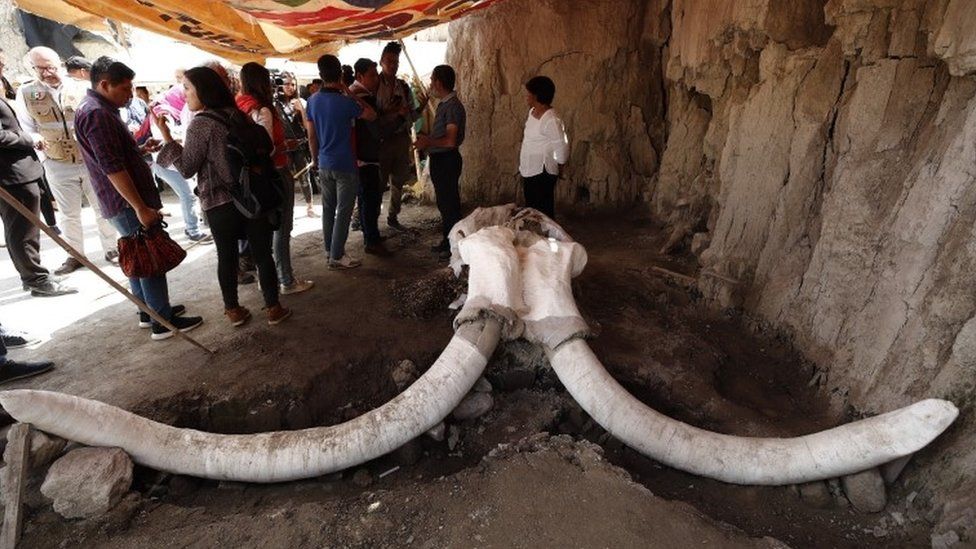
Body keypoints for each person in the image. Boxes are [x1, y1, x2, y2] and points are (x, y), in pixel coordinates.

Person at [74, 57, 203, 340]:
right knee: (148, 256)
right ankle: (161, 320)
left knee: (135, 253)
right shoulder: (97, 113)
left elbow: (115, 156)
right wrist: (140, 207)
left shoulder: (97, 109)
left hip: (119, 200)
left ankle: (149, 311)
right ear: (105, 84)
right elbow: (112, 167)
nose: (130, 96)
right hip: (125, 202)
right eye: (125, 89)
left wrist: (140, 148)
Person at [156, 65, 292, 327]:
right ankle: (274, 307)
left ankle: (234, 310)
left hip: (219, 202)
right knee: (263, 253)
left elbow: (187, 168)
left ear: (203, 91)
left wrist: (166, 138)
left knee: (227, 257)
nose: (183, 94)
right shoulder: (237, 115)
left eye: (187, 88)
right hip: (250, 196)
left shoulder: (200, 124)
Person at [14, 47, 119, 275]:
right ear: (33, 69)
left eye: (51, 66)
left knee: (102, 207)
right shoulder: (26, 93)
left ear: (60, 64)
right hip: (57, 162)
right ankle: (76, 255)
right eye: (40, 68)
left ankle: (112, 249)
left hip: (89, 160)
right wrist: (40, 148)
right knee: (68, 213)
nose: (47, 72)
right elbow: (26, 127)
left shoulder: (81, 86)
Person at [237, 62, 313, 296]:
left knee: (262, 229)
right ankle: (285, 279)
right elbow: (266, 148)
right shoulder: (263, 109)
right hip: (274, 173)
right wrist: (283, 146)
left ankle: (267, 278)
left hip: (249, 177)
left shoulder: (237, 105)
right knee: (282, 227)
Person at [0, 82, 76, 296]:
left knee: (22, 229)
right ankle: (36, 279)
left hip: (19, 170)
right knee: (22, 230)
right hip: (10, 174)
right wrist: (28, 138)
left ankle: (33, 275)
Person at [305, 54, 376, 270]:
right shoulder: (345, 103)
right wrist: (348, 92)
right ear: (340, 75)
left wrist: (315, 159)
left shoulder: (312, 101)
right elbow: (372, 115)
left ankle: (330, 251)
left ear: (320, 74)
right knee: (343, 211)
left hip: (324, 162)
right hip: (345, 163)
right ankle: (337, 255)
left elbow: (311, 136)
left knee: (328, 209)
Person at [122, 91, 211, 242]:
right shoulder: (162, 113)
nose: (187, 97)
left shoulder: (172, 112)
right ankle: (193, 230)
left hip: (169, 162)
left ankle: (192, 228)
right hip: (168, 164)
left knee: (188, 195)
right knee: (188, 195)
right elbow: (165, 137)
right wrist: (173, 136)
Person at [414, 65, 465, 258]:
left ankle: (454, 245)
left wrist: (428, 141)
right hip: (442, 159)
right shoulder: (445, 103)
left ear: (439, 82)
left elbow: (450, 141)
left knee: (449, 204)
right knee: (446, 203)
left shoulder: (451, 106)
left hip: (447, 160)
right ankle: (450, 241)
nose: (430, 84)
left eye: (432, 80)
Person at [377, 42, 427, 231]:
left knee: (398, 181)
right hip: (382, 141)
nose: (393, 64)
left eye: (396, 61)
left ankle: (392, 217)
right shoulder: (375, 86)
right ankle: (369, 220)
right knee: (379, 183)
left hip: (400, 139)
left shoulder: (403, 87)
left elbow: (411, 117)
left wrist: (421, 108)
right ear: (381, 62)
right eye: (389, 61)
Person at [350, 58, 390, 256]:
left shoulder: (353, 93)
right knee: (370, 199)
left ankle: (370, 235)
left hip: (362, 155)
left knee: (366, 198)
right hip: (365, 156)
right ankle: (372, 241)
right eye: (372, 75)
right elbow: (376, 125)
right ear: (360, 76)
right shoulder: (360, 95)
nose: (376, 79)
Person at [519, 76, 569, 219]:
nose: (526, 96)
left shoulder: (551, 120)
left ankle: (546, 239)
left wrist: (560, 167)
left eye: (528, 93)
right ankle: (536, 238)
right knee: (532, 211)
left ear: (536, 96)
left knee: (543, 213)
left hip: (543, 173)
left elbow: (561, 147)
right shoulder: (532, 112)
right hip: (530, 170)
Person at [279, 72, 318, 218]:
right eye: (287, 84)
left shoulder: (301, 101)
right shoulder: (275, 104)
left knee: (304, 177)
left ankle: (310, 207)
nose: (290, 87)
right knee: (286, 179)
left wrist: (302, 110)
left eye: (293, 84)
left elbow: (309, 127)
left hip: (300, 144)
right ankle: (288, 209)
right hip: (284, 146)